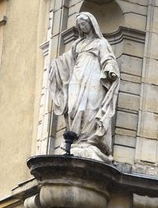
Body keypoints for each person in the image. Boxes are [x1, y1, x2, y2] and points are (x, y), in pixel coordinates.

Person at [48, 11, 120, 160]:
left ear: (91, 24)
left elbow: (108, 59)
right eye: (80, 25)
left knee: (90, 106)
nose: (82, 26)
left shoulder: (101, 43)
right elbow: (68, 61)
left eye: (84, 23)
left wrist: (110, 69)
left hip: (94, 77)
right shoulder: (77, 44)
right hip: (78, 77)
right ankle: (77, 139)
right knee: (74, 106)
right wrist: (56, 65)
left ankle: (89, 140)